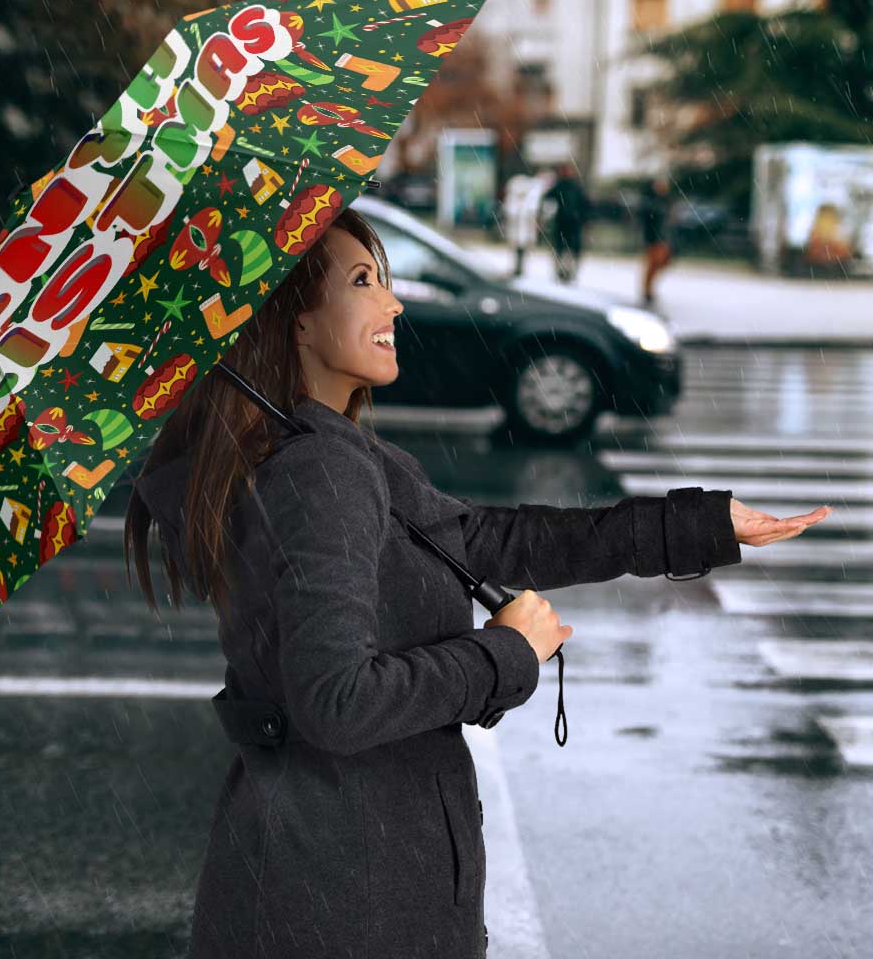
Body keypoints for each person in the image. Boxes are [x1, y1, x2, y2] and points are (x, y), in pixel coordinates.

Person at [125, 207, 789, 959]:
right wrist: (504, 655)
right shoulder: (320, 472)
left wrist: (698, 525)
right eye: (364, 281)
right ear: (297, 323)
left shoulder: (313, 455)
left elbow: (486, 540)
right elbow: (336, 703)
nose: (395, 302)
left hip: (312, 877)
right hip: (348, 898)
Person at [541, 161, 591, 284]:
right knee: (562, 249)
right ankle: (562, 272)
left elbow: (585, 205)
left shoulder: (574, 187)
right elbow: (547, 199)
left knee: (569, 250)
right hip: (564, 223)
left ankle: (568, 272)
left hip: (572, 223)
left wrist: (584, 219)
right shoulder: (561, 186)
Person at [639, 174, 675, 306]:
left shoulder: (666, 201)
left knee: (661, 263)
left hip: (663, 238)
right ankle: (647, 290)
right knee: (653, 264)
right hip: (654, 238)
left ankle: (649, 289)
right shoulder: (651, 202)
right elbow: (648, 221)